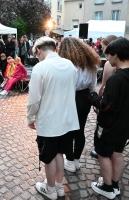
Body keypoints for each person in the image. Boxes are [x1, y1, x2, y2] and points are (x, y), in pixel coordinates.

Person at [90, 38, 129, 199]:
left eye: (109, 56)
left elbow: (105, 105)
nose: (107, 60)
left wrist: (93, 97)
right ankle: (114, 184)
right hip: (127, 123)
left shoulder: (116, 79)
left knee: (103, 153)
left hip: (110, 125)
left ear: (116, 55)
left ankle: (107, 187)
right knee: (117, 153)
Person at [27, 37, 79, 200]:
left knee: (49, 157)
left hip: (49, 119)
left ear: (39, 51)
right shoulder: (69, 65)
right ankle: (58, 186)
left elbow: (34, 99)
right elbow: (73, 87)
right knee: (60, 153)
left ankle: (50, 189)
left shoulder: (40, 67)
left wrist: (30, 117)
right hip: (67, 119)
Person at [58, 37, 100, 172]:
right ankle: (76, 159)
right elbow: (93, 85)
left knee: (68, 132)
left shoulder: (66, 64)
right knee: (80, 130)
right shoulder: (90, 62)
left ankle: (70, 160)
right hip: (84, 98)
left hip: (70, 97)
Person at [90, 35, 118, 159]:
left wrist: (98, 101)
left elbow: (104, 85)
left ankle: (100, 150)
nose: (102, 49)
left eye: (103, 46)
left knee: (103, 126)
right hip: (118, 102)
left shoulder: (109, 63)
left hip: (108, 100)